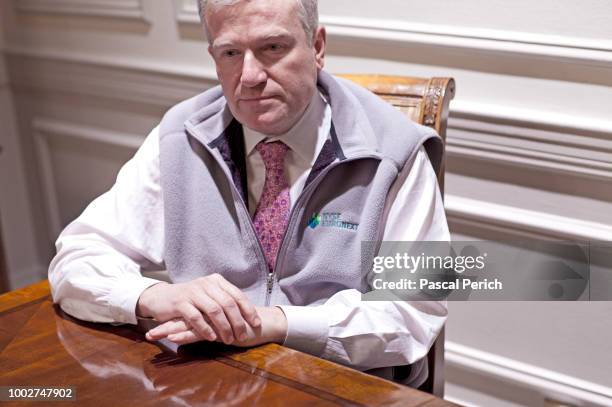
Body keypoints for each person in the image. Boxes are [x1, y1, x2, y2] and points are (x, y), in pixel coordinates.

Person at [48, 0, 449, 388]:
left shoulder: (394, 150)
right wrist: (155, 296)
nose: (251, 75)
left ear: (318, 46)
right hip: (208, 381)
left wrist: (271, 323)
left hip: (341, 385)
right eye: (230, 53)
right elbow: (77, 258)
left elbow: (413, 309)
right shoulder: (180, 138)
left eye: (272, 47)